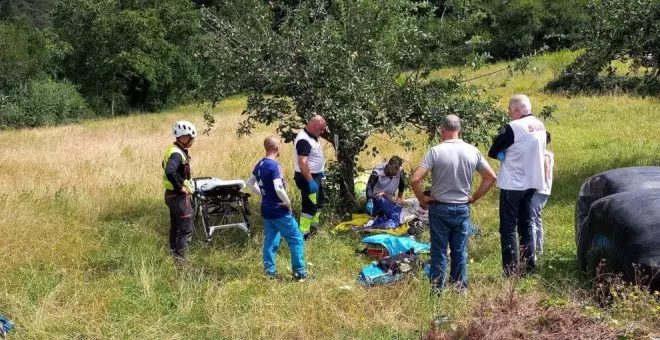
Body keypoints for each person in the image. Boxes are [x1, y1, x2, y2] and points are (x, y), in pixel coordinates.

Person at [410, 114, 497, 292]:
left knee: (439, 250)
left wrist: (422, 199)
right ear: (459, 130)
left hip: (440, 207)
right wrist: (473, 197)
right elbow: (490, 177)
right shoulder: (472, 151)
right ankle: (459, 288)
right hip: (462, 208)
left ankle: (437, 289)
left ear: (442, 130)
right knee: (459, 251)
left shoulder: (435, 151)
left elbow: (414, 180)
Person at [488, 94, 546, 276]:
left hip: (513, 183)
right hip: (532, 182)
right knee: (526, 225)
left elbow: (493, 150)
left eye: (510, 109)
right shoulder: (541, 125)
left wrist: (501, 154)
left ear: (517, 110)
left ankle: (511, 270)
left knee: (508, 228)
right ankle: (529, 266)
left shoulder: (513, 127)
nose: (509, 113)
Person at [248, 136, 307, 281]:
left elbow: (249, 183)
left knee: (271, 240)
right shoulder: (274, 165)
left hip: (267, 210)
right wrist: (287, 202)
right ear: (277, 148)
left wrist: (263, 195)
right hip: (279, 210)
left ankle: (270, 272)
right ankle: (299, 273)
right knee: (296, 239)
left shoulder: (260, 164)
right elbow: (278, 187)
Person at [162, 120, 197, 262]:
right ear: (183, 137)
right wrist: (180, 187)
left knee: (176, 226)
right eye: (191, 138)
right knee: (185, 229)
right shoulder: (177, 154)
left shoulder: (173, 149)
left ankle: (174, 255)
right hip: (178, 197)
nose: (192, 141)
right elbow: (170, 171)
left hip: (170, 195)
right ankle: (181, 263)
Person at [293, 115, 328, 240]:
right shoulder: (304, 140)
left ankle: (314, 227)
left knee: (319, 203)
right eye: (321, 129)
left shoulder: (312, 136)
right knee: (310, 205)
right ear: (314, 126)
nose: (322, 132)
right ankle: (304, 233)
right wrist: (310, 181)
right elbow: (302, 163)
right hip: (308, 178)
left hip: (316, 176)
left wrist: (320, 170)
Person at [530, 132, 554, 255]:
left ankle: (532, 251)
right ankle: (539, 248)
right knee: (537, 218)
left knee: (532, 220)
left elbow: (545, 175)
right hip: (543, 191)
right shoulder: (547, 154)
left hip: (538, 190)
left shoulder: (544, 155)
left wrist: (534, 187)